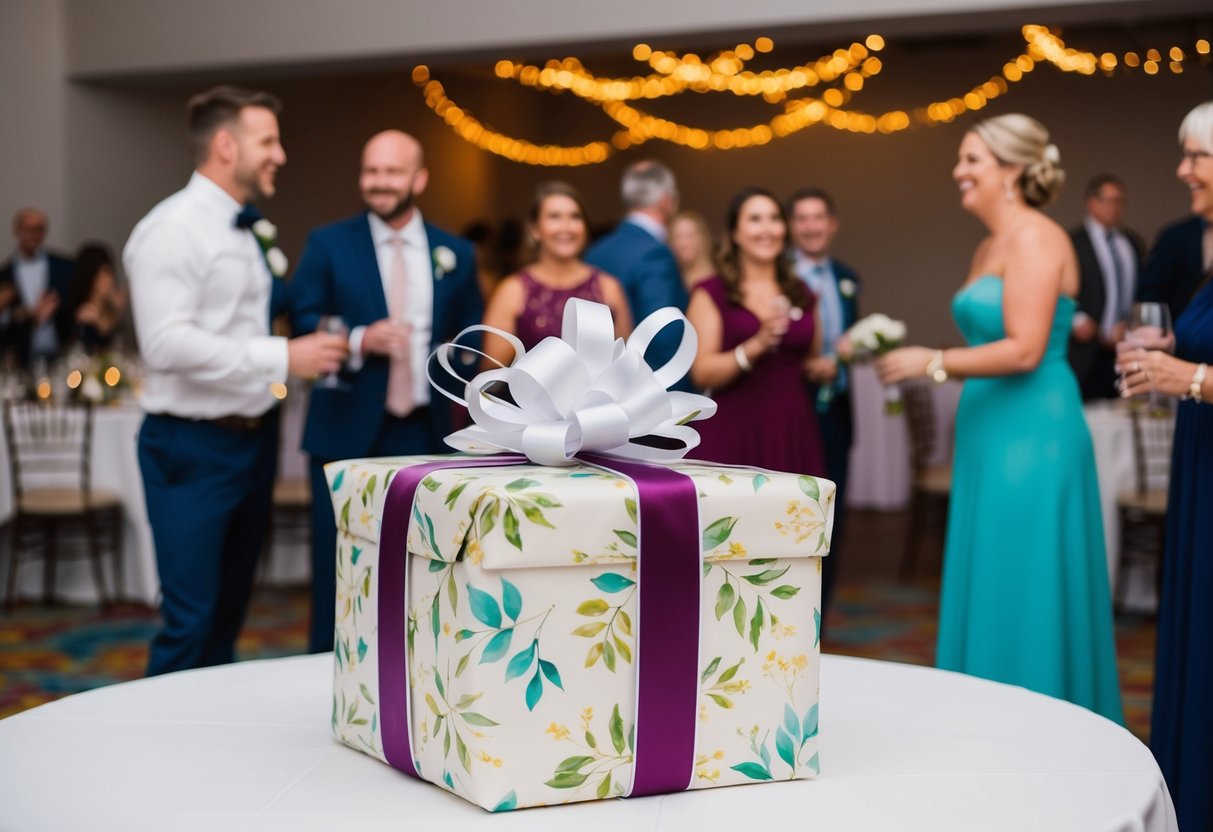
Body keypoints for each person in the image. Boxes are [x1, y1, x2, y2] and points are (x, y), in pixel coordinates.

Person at [876, 114, 1122, 723]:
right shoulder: (990, 244)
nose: (958, 171)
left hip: (1033, 431)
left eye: (971, 160)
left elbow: (1025, 349)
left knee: (1026, 573)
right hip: (990, 431)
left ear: (1011, 169)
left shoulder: (1037, 237)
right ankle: (982, 721)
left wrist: (932, 361)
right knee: (991, 571)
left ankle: (1039, 724)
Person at [124, 86, 347, 676]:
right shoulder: (173, 229)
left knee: (228, 617)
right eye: (268, 141)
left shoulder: (248, 229)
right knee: (190, 621)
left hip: (252, 441)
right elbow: (164, 344)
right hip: (191, 446)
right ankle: (160, 730)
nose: (280, 155)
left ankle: (205, 731)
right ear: (226, 145)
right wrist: (282, 356)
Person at [290, 129, 482, 654]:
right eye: (371, 171)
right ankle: (327, 664)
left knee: (424, 559)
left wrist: (456, 362)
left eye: (392, 172)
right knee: (338, 562)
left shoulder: (454, 251)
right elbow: (302, 317)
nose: (380, 182)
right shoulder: (329, 243)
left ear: (419, 179)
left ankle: (417, 662)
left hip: (426, 430)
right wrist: (357, 339)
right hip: (345, 428)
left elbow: (472, 333)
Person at [1118, 100, 1213, 832]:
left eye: (1197, 155)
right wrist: (1166, 356)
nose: (1183, 170)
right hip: (1200, 463)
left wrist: (1193, 379)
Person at [686, 186, 826, 478]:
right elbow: (702, 373)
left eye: (774, 218)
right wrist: (756, 345)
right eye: (755, 219)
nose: (767, 229)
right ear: (735, 233)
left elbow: (809, 358)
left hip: (794, 428)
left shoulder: (802, 292)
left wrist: (829, 365)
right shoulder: (711, 293)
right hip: (736, 429)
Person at [788, 187, 861, 617]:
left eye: (819, 218)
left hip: (837, 410)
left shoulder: (848, 277)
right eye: (803, 218)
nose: (811, 226)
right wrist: (806, 366)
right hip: (794, 408)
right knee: (797, 510)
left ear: (832, 225)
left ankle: (822, 615)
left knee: (833, 516)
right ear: (792, 227)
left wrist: (849, 354)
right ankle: (792, 609)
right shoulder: (781, 279)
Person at [481, 181, 631, 366]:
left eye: (575, 217)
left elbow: (625, 365)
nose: (566, 227)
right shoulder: (512, 289)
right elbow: (492, 371)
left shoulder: (608, 287)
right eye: (554, 217)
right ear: (535, 230)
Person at [584, 160, 687, 381]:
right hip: (649, 383)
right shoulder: (655, 251)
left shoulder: (595, 251)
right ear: (666, 200)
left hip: (599, 379)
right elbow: (663, 333)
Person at [1068, 174, 1146, 399]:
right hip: (1085, 352)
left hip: (1124, 348)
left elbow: (1141, 290)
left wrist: (1130, 324)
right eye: (1110, 200)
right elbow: (1055, 291)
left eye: (1121, 201)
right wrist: (1076, 319)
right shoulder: (1072, 242)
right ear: (1092, 202)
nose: (1116, 208)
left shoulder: (1132, 242)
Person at [0, 207, 74, 368]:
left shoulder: (63, 267)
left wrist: (55, 306)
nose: (35, 235)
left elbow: (73, 301)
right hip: (21, 357)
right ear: (17, 230)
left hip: (60, 351)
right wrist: (21, 315)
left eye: (39, 229)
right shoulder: (5, 274)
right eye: (30, 229)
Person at [65, 242, 127, 354]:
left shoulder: (110, 309)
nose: (109, 279)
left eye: (109, 272)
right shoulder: (83, 313)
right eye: (104, 272)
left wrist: (116, 311)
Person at [669, 209, 716, 291]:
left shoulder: (715, 282)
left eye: (690, 236)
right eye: (677, 237)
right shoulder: (669, 279)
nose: (683, 243)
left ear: (702, 239)